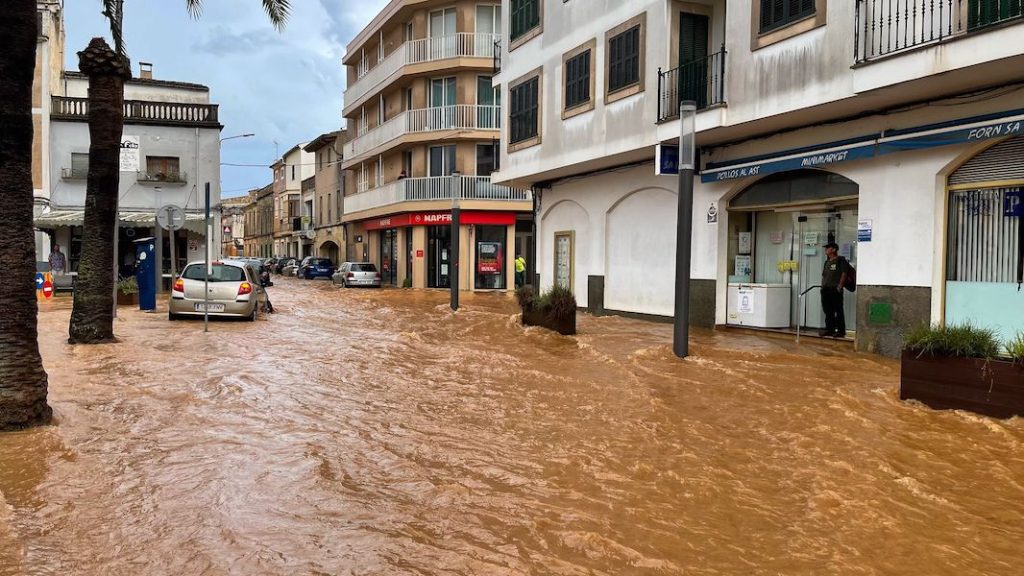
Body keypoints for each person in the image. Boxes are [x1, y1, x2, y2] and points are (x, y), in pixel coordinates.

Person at [820, 242, 850, 338]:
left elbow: (844, 273)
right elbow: (824, 275)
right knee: (828, 311)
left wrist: (840, 286)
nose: (826, 250)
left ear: (834, 249)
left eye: (828, 248)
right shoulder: (827, 262)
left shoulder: (841, 260)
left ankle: (841, 331)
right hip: (826, 290)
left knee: (838, 310)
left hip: (835, 290)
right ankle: (829, 329)